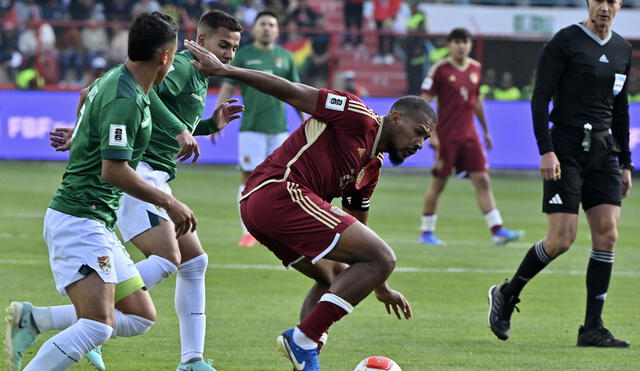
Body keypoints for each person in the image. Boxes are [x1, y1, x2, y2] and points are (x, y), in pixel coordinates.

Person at [184, 37, 435, 371]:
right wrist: (226, 71)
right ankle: (302, 341)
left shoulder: (372, 166)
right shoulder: (357, 115)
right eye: (418, 132)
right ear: (397, 117)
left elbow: (358, 228)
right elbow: (290, 90)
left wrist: (380, 285)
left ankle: (305, 361)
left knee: (336, 276)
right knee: (385, 256)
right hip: (278, 191)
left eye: (426, 139)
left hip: (264, 208)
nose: (420, 143)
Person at [46, 10, 244, 371]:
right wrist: (181, 131)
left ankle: (190, 359)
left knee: (194, 262)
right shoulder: (181, 67)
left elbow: (134, 102)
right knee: (171, 259)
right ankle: (78, 320)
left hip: (152, 173)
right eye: (223, 45)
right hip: (141, 171)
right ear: (199, 42)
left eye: (233, 48)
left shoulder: (198, 77)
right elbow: (139, 91)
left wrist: (204, 126)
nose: (229, 55)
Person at [5, 12, 197, 371]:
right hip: (79, 219)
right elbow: (114, 171)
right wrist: (169, 202)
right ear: (166, 57)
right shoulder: (124, 98)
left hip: (98, 222)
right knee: (96, 325)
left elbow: (85, 94)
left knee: (139, 316)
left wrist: (79, 134)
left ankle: (34, 321)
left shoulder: (117, 79)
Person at [488, 0, 632, 347]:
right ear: (588, 2)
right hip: (565, 150)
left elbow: (621, 108)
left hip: (604, 152)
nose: (604, 7)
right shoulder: (564, 42)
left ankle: (592, 328)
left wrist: (625, 161)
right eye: (598, 0)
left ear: (619, 5)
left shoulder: (623, 49)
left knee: (607, 235)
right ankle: (507, 293)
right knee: (561, 240)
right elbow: (540, 97)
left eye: (611, 1)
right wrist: (546, 149)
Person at [418, 28, 524, 246]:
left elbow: (477, 102)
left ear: (470, 44)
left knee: (483, 180)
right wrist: (432, 133)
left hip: (470, 136)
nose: (461, 46)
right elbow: (423, 103)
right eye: (456, 41)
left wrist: (485, 130)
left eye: (464, 41)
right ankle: (426, 233)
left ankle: (498, 231)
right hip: (447, 136)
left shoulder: (476, 69)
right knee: (438, 183)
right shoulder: (439, 70)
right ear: (449, 44)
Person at [216, 10, 303, 247]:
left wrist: (307, 119)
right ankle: (248, 231)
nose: (267, 28)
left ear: (277, 30)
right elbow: (227, 87)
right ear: (254, 29)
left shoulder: (285, 57)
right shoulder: (243, 56)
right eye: (263, 24)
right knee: (249, 177)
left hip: (279, 129)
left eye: (271, 24)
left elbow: (297, 92)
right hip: (251, 128)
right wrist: (217, 117)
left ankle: (280, 228)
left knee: (282, 179)